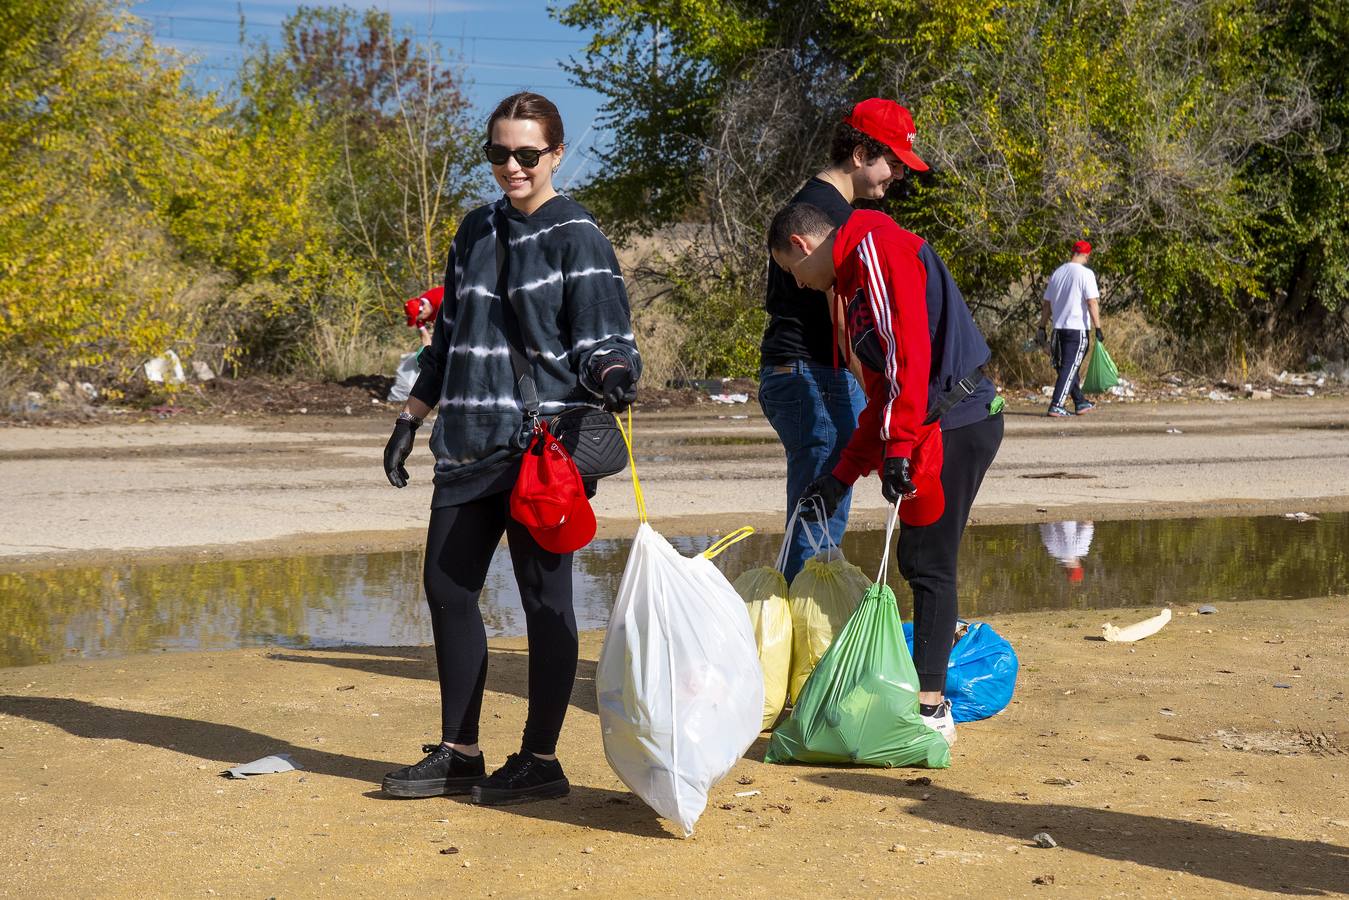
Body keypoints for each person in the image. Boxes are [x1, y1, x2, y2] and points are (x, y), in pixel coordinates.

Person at [380, 92, 640, 805]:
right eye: (498, 153)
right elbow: (452, 334)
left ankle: (541, 760)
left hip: (539, 449)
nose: (511, 167)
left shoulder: (576, 234)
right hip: (465, 441)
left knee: (542, 600)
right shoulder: (475, 229)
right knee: (446, 590)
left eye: (527, 154)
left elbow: (605, 339)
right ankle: (460, 752)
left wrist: (615, 374)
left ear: (555, 154)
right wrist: (410, 418)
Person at [767, 194, 1003, 747]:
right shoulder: (850, 281)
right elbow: (881, 393)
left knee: (929, 562)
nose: (798, 284)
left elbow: (910, 358)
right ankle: (927, 690)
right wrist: (842, 475)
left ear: (802, 246)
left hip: (954, 424)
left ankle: (930, 709)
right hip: (927, 426)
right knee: (918, 558)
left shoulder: (876, 250)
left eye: (791, 272)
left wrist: (897, 450)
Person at [760, 98, 921, 581]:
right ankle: (801, 642)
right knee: (818, 520)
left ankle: (796, 634)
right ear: (858, 153)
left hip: (797, 372)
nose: (894, 174)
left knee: (814, 513)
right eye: (889, 161)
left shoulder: (815, 203)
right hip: (817, 372)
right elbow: (845, 317)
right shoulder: (830, 215)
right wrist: (879, 392)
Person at [1038, 241, 1102, 417]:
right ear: (1086, 255)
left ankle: (1080, 402)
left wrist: (1042, 326)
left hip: (1058, 329)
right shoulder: (1086, 274)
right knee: (1069, 367)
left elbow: (1047, 304)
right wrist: (1098, 327)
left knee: (1066, 367)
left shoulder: (1058, 273)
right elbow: (1092, 302)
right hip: (1076, 329)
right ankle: (1056, 404)